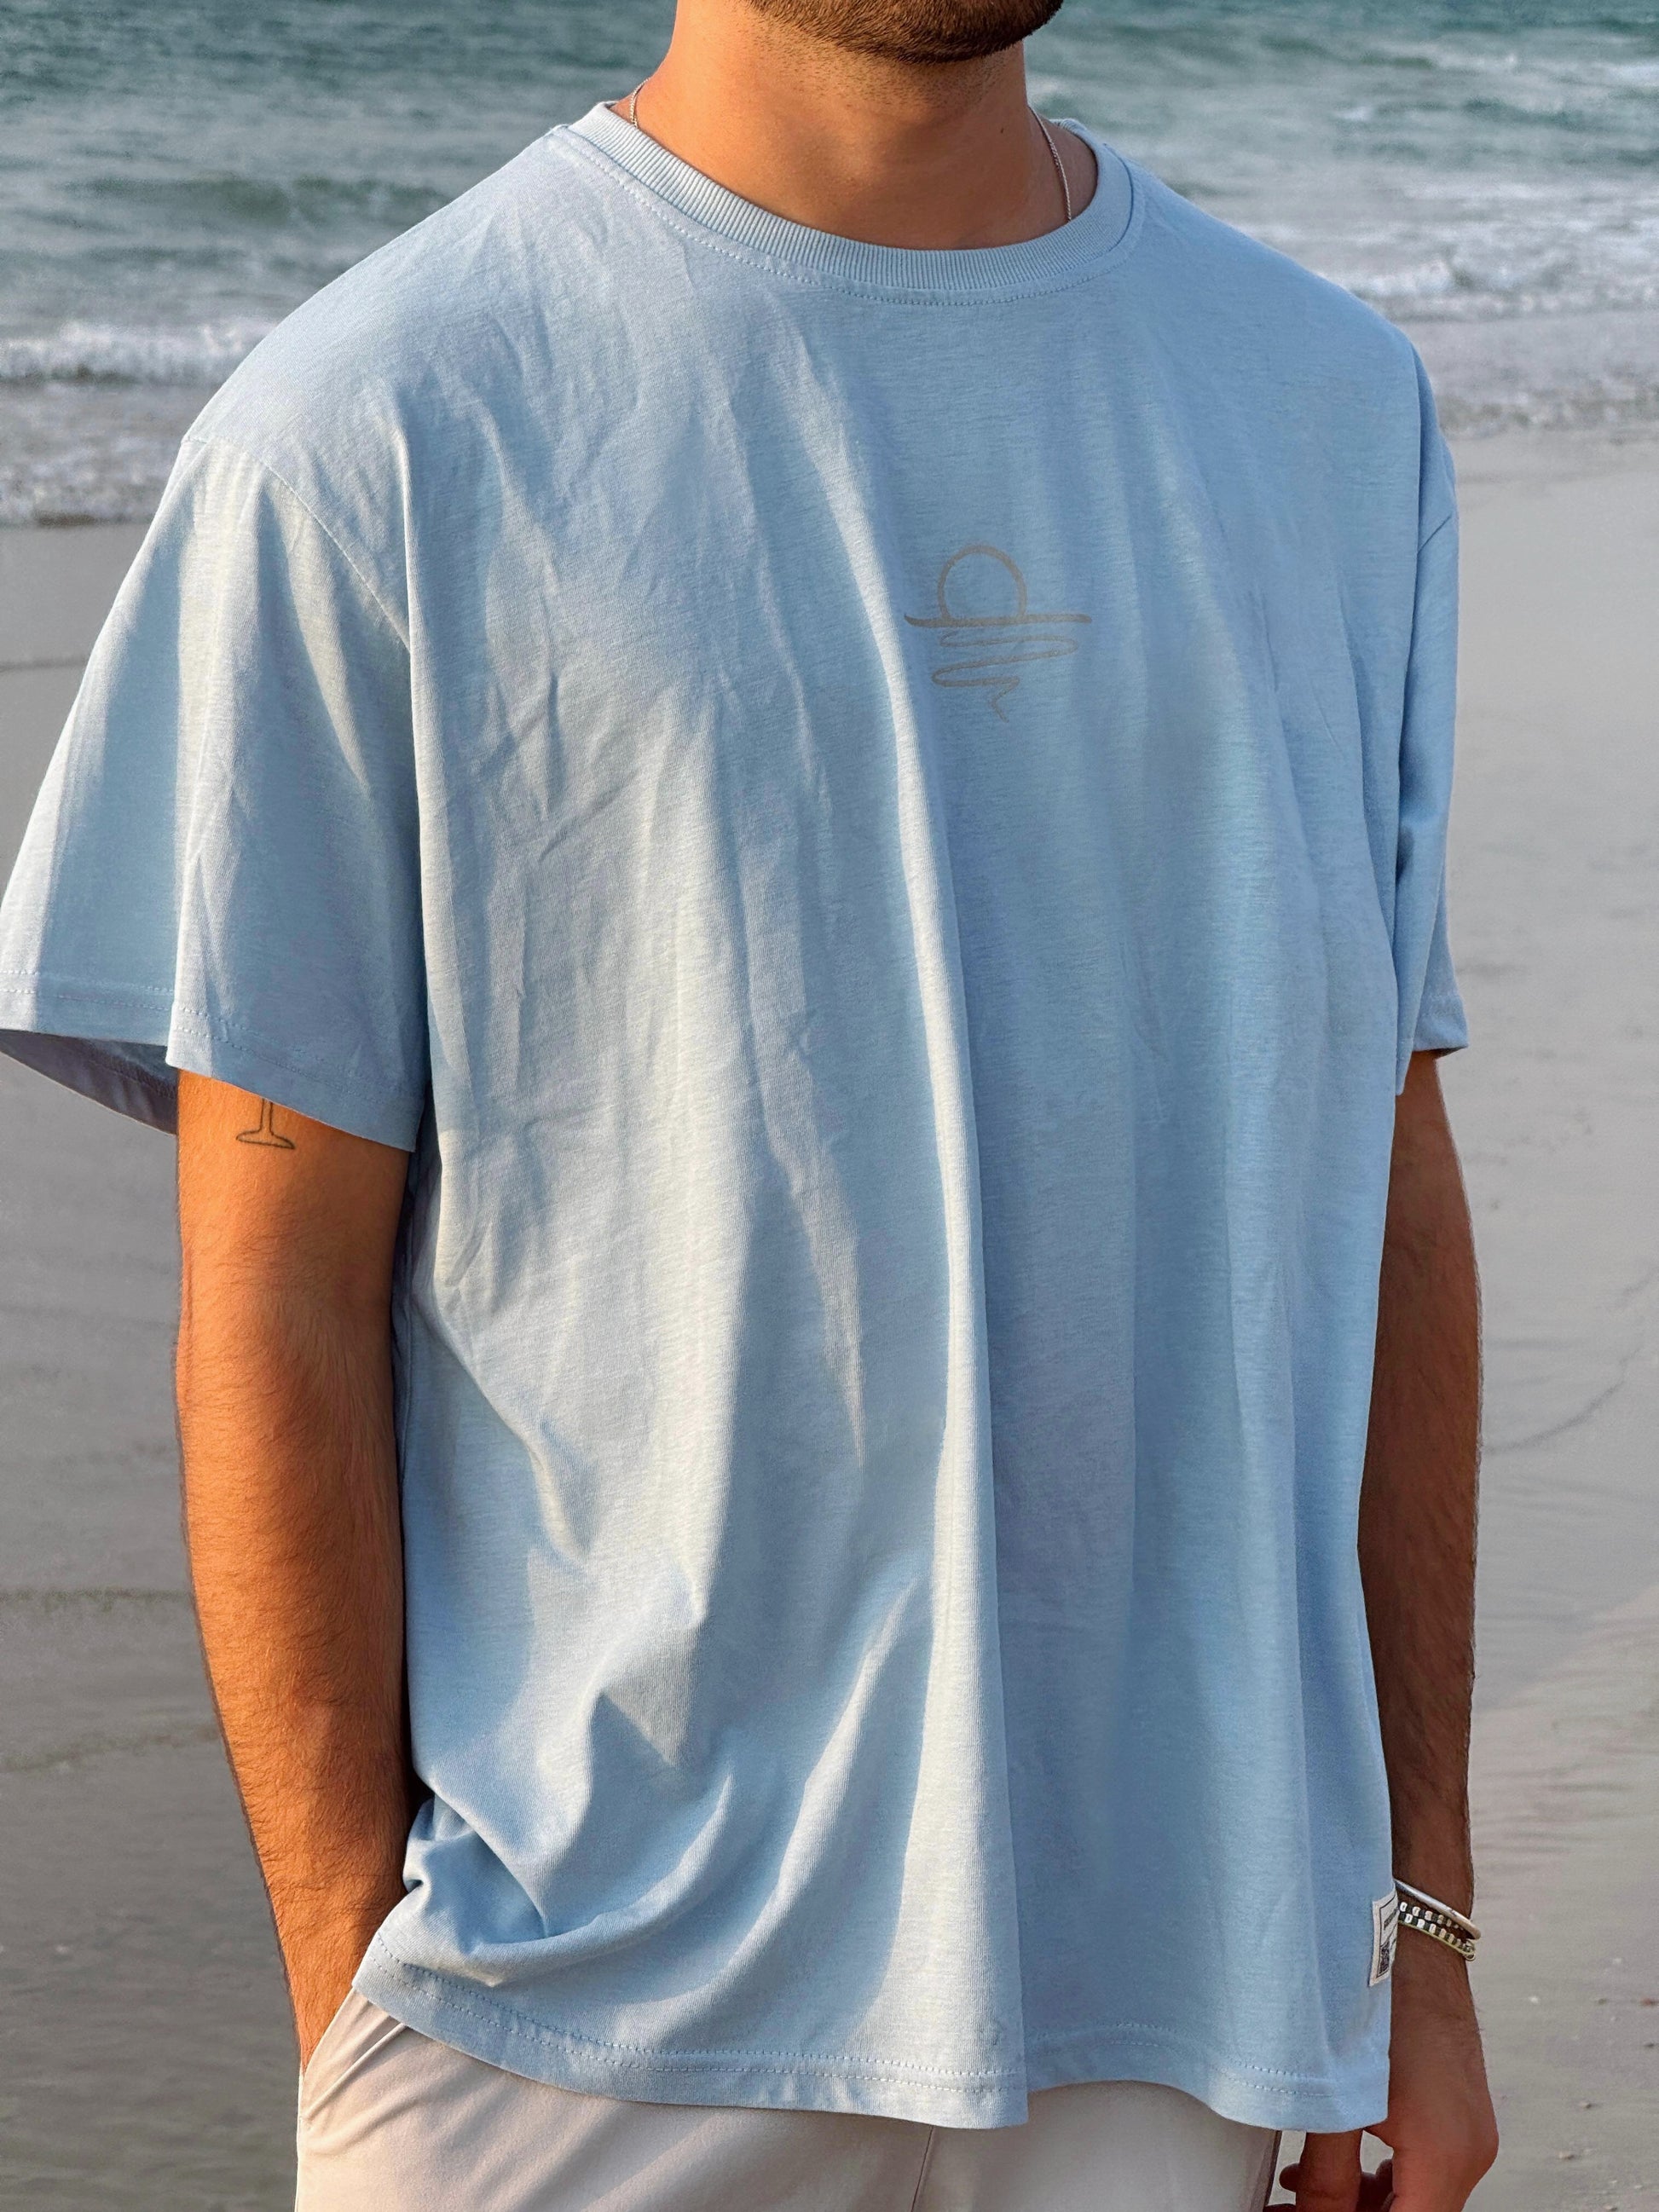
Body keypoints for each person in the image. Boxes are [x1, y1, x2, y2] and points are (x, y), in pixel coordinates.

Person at [0, 0, 1500, 2205]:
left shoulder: (1328, 409)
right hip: (570, 2026)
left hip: (1184, 2005)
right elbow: (272, 1292)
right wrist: (355, 2031)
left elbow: (1380, 1185)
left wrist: (1419, 1938)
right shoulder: (373, 425)